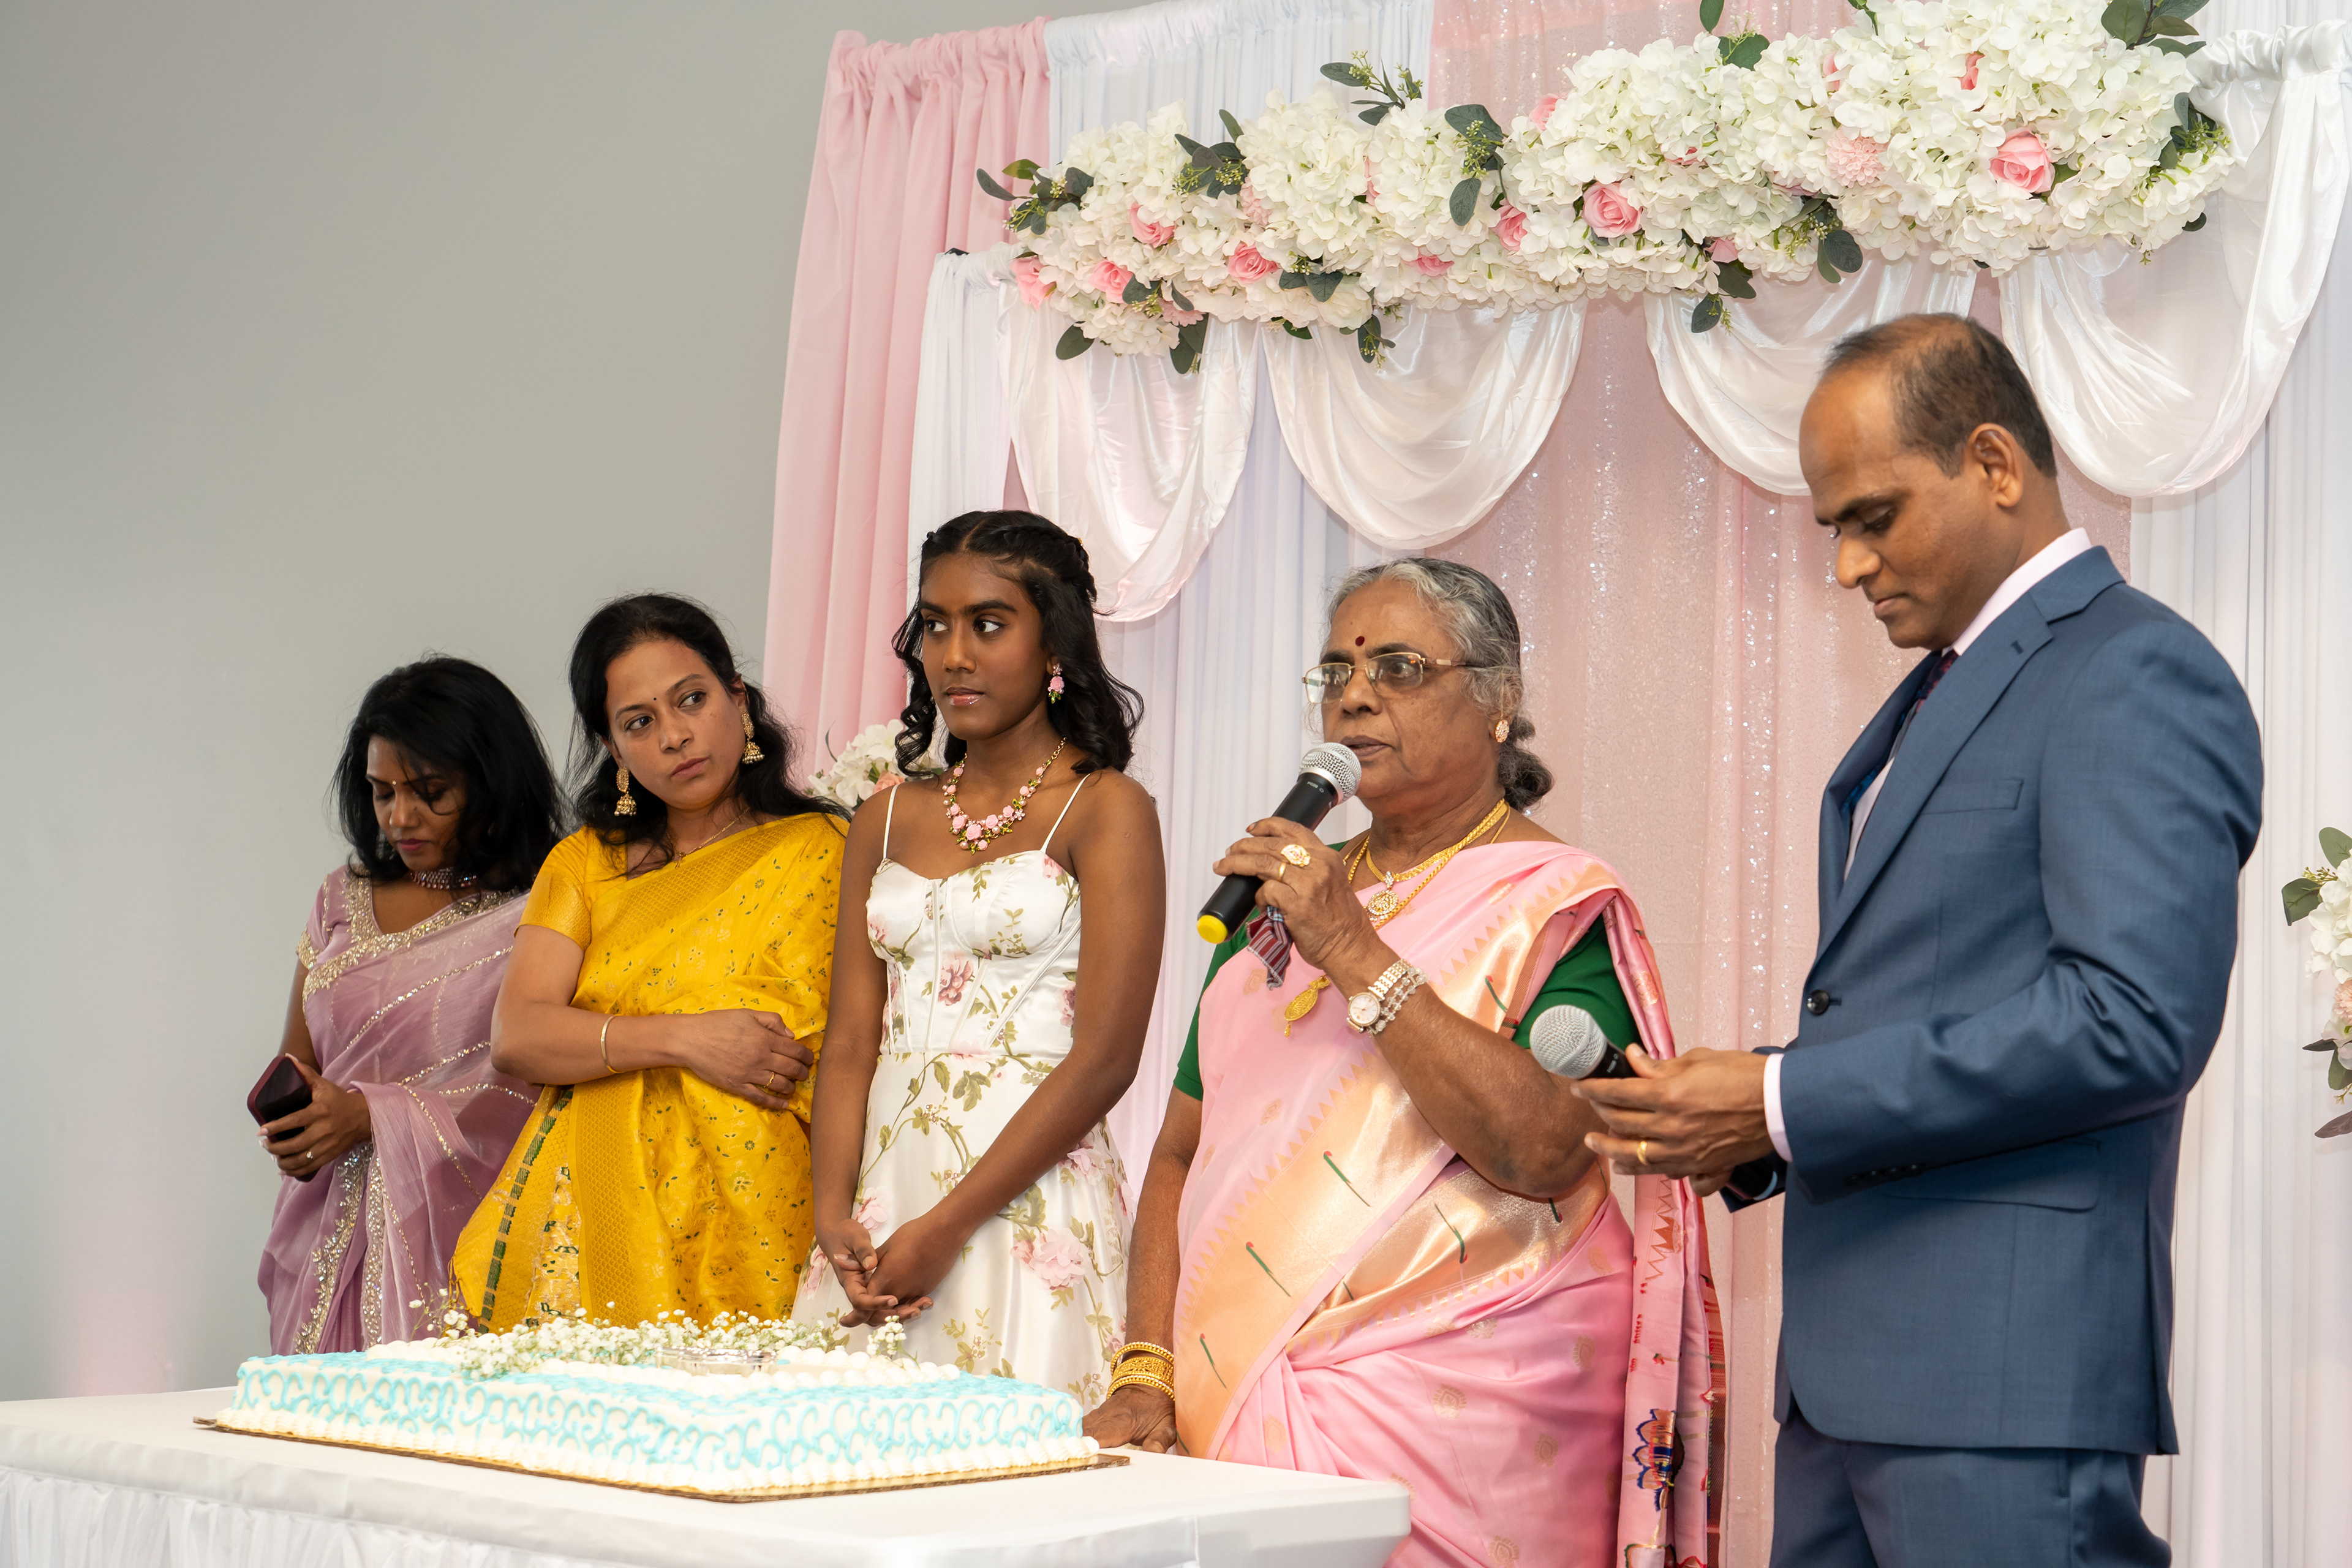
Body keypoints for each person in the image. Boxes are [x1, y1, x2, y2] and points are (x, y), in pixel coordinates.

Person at [1575, 315, 2262, 1568]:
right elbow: (1932, 997)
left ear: (1993, 463)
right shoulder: (1956, 681)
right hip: (1848, 1384)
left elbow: (2131, 1022)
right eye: (1834, 527)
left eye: (1874, 516)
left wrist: (1781, 1099)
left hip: (1999, 1380)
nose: (1848, 565)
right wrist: (1746, 1118)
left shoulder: (2133, 669)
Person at [1083, 560, 1721, 1568]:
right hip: (1231, 1395)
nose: (1355, 695)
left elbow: (1545, 1151)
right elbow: (1180, 1153)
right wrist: (1146, 1367)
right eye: (1336, 670)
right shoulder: (1273, 903)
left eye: (1400, 668)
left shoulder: (1553, 904)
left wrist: (1355, 950)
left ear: (1499, 700)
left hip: (1470, 1424)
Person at [795, 511, 1164, 1403]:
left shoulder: (1106, 809)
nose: (953, 655)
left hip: (1027, 1197)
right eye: (935, 625)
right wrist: (833, 1211)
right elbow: (850, 1042)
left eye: (988, 624)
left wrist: (949, 1225)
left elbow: (1107, 1057)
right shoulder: (884, 816)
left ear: (1054, 644)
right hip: (884, 1200)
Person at [448, 595, 849, 1329]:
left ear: (738, 698)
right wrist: (685, 1038)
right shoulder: (584, 864)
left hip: (760, 1203)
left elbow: (845, 1050)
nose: (674, 736)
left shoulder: (825, 850)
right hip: (588, 1204)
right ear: (614, 748)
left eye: (692, 699)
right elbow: (519, 1035)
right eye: (639, 722)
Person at [257, 657, 564, 1354]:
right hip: (323, 1229)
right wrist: (298, 1127)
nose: (400, 817)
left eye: (431, 793)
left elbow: (534, 1092)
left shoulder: (542, 909)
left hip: (461, 1232)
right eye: (381, 792)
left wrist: (371, 1114)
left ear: (490, 782)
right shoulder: (339, 896)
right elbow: (299, 1062)